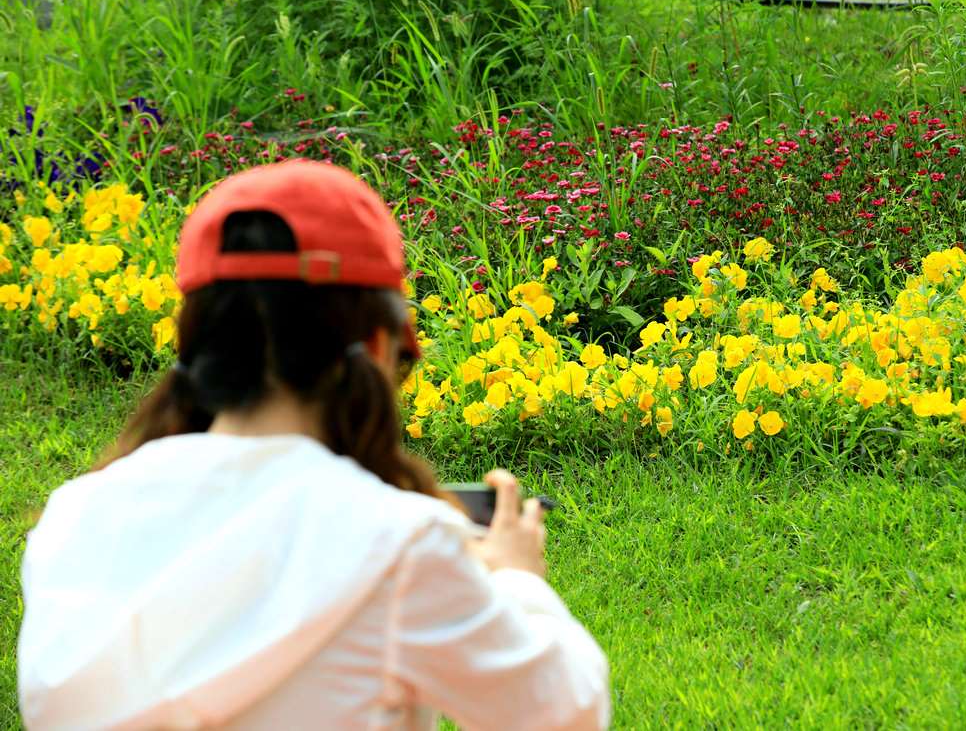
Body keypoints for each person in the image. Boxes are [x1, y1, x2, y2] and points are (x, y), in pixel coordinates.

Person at [18, 160, 611, 729]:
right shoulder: (401, 546)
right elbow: (563, 715)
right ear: (378, 345)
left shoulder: (75, 519)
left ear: (197, 339)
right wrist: (517, 579)